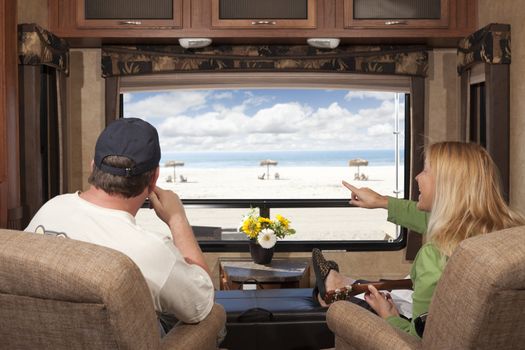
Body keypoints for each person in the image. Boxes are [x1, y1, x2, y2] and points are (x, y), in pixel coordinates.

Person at [313, 141, 525, 337]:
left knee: (348, 308)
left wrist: (390, 317)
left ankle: (340, 289)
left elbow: (421, 339)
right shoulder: (508, 233)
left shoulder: (434, 255)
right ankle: (346, 284)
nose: (417, 177)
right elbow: (436, 220)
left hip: (429, 338)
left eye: (425, 170)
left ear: (447, 185)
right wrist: (379, 201)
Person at [25, 118, 215, 330]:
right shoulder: (150, 250)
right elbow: (202, 304)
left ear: (93, 166)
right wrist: (177, 219)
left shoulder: (51, 208)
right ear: (154, 179)